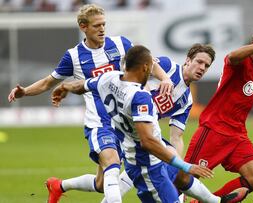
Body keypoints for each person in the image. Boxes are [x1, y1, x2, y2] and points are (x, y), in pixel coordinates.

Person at [7, 4, 172, 203]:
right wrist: (24, 92)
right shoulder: (74, 56)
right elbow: (47, 83)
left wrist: (165, 79)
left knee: (102, 184)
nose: (102, 29)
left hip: (123, 123)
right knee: (112, 163)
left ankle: (58, 186)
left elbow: (149, 63)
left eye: (104, 24)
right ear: (83, 27)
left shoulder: (120, 44)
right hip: (99, 124)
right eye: (96, 26)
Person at [51, 45, 238, 203]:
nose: (202, 68)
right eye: (199, 62)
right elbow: (148, 72)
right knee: (115, 177)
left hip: (143, 139)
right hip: (136, 142)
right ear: (187, 60)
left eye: (206, 65)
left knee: (107, 183)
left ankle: (59, 186)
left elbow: (176, 137)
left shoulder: (111, 78)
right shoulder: (164, 70)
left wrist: (66, 86)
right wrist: (162, 80)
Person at [183, 25, 253, 202]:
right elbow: (231, 56)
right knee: (184, 179)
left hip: (237, 134)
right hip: (214, 130)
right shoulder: (239, 62)